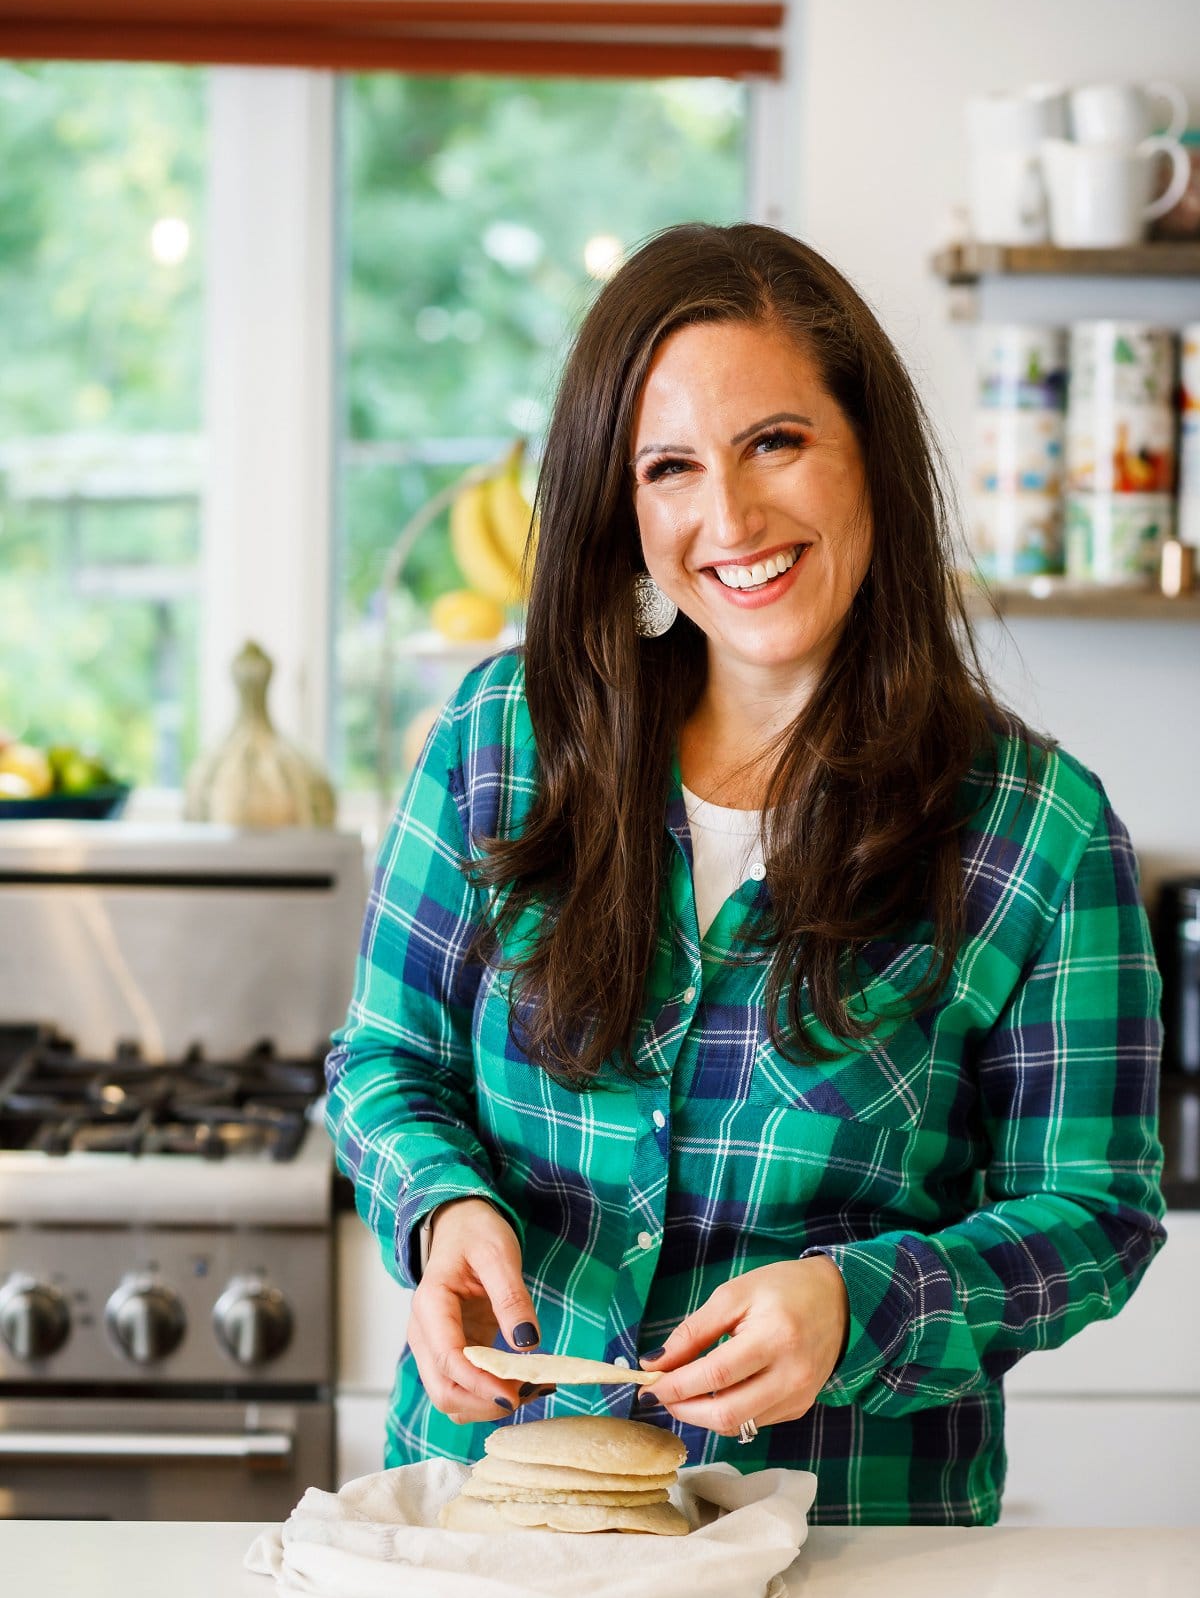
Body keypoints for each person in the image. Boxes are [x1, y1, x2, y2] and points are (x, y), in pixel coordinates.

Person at [326, 222, 1166, 1525]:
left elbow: (1096, 1213)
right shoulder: (501, 741)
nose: (730, 518)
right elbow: (385, 1063)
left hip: (844, 1553)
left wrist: (859, 1307)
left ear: (868, 452)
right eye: (670, 468)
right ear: (624, 509)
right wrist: (442, 1213)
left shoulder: (1036, 829)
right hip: (495, 1526)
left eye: (775, 442)